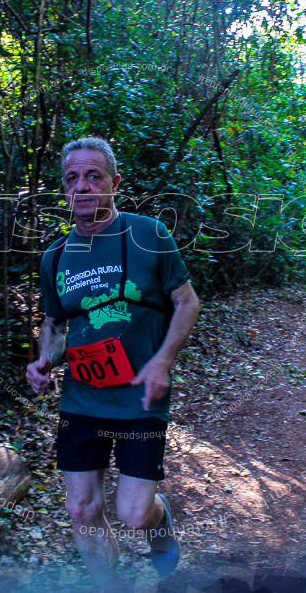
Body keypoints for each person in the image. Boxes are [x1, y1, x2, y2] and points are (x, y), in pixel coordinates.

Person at [26, 137, 200, 587]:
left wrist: (162, 361)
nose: (81, 186)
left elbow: (187, 302)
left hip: (141, 397)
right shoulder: (55, 256)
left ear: (114, 183)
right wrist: (43, 359)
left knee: (134, 513)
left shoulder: (149, 234)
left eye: (93, 176)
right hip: (81, 401)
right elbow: (54, 324)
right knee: (81, 508)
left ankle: (159, 522)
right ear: (64, 188)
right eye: (71, 178)